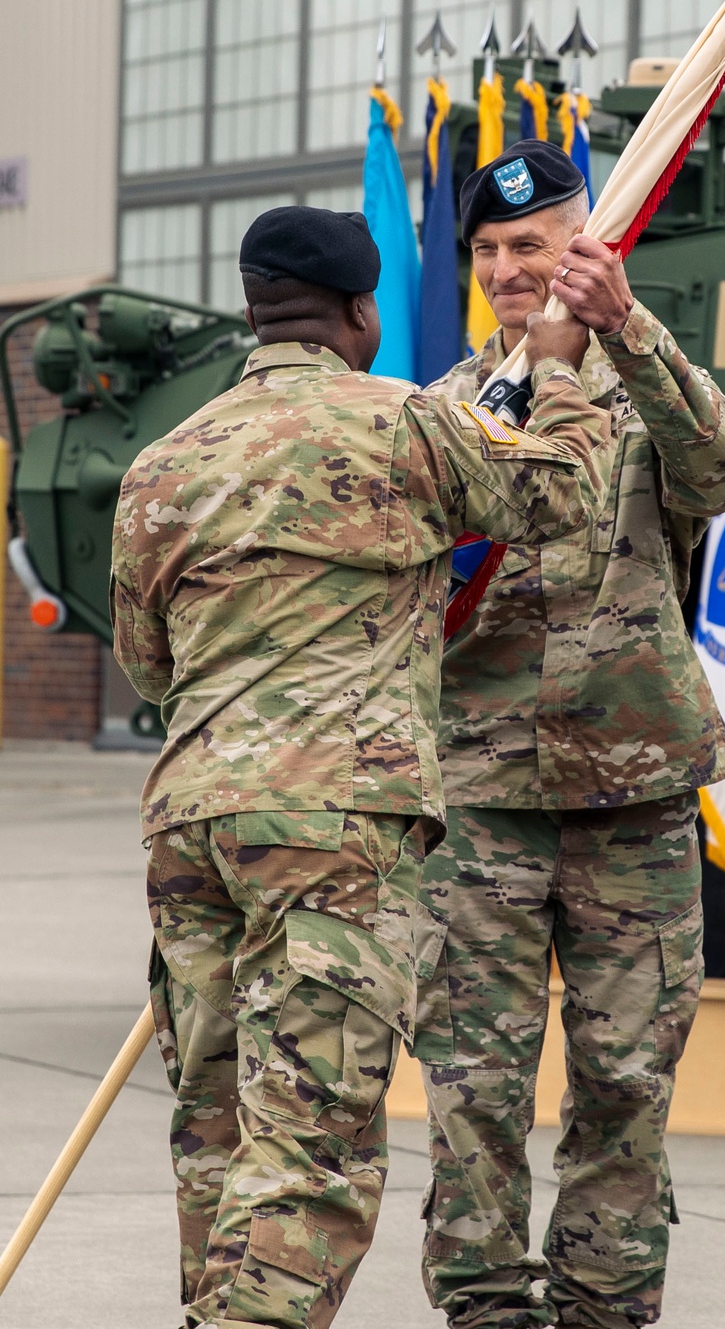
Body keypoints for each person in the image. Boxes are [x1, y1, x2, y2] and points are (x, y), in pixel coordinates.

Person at [110, 204, 613, 1329]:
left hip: (192, 823)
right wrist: (566, 369)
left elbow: (146, 670)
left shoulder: (161, 462)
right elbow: (567, 497)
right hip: (331, 824)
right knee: (315, 1134)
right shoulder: (405, 425)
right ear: (359, 311)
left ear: (254, 307)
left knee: (220, 1122)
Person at [412, 140, 725, 1329]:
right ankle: (483, 1308)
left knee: (627, 1077)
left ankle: (608, 1306)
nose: (512, 269)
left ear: (588, 243)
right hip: (481, 799)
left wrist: (630, 336)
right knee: (474, 1083)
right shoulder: (444, 415)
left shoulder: (646, 386)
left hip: (633, 795)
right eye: (491, 252)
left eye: (535, 244)